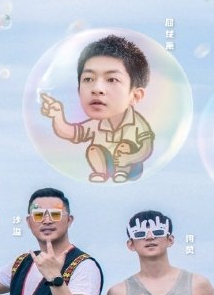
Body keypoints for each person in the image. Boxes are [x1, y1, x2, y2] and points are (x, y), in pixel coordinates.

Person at [39, 34, 155, 183]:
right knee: (94, 149)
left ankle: (122, 171)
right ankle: (101, 173)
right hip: (107, 164)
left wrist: (130, 158)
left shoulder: (137, 123)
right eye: (88, 79)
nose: (97, 89)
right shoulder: (96, 124)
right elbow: (71, 132)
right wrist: (57, 116)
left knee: (125, 146)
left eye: (112, 79)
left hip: (131, 166)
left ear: (136, 96)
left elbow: (145, 148)